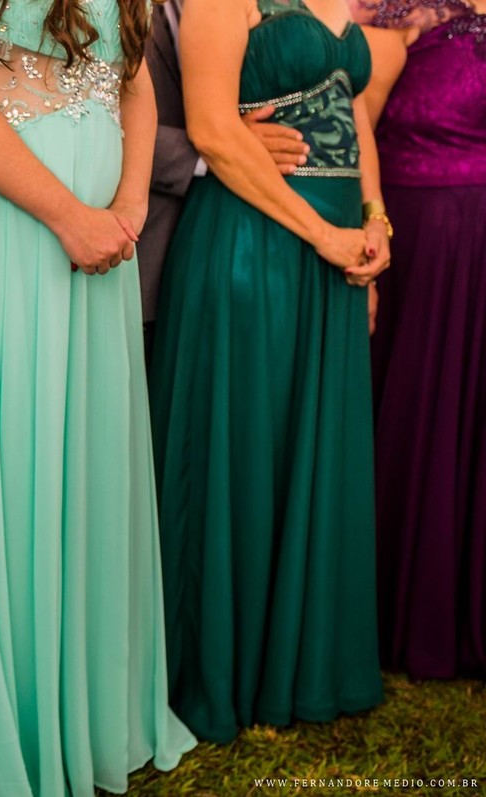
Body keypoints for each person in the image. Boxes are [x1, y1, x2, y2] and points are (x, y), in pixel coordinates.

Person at [0, 0, 197, 792]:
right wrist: (69, 216)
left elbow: (134, 82)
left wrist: (129, 206)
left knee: (81, 462)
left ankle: (83, 707)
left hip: (101, 240)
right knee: (8, 463)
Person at [148, 0, 391, 743]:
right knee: (248, 447)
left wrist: (374, 220)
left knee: (313, 447)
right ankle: (230, 668)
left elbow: (353, 112)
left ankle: (303, 662)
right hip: (255, 244)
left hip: (332, 253)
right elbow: (214, 131)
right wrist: (323, 234)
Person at [360, 0, 486, 680]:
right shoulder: (403, 13)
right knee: (419, 409)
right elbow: (357, 123)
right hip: (424, 247)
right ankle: (401, 601)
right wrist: (371, 221)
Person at [143, 0, 311, 351]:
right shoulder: (115, 10)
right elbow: (102, 126)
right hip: (143, 249)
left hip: (225, 244)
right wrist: (221, 143)